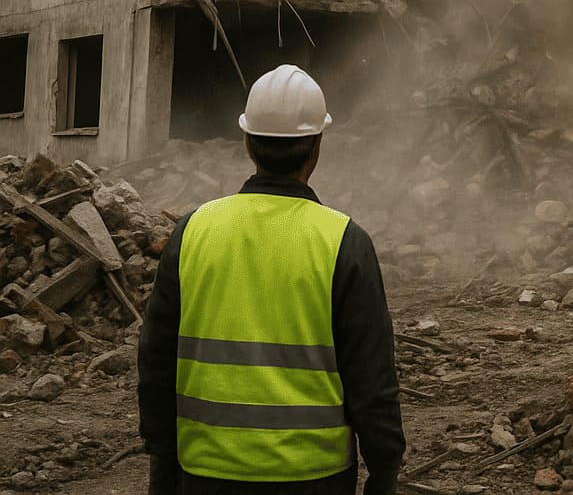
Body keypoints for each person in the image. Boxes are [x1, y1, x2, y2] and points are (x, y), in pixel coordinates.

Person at [137, 65, 404, 494]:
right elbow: (371, 376)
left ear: (247, 142)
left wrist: (161, 456)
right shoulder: (344, 241)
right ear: (317, 144)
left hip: (205, 470)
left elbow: (156, 359)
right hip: (315, 475)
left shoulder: (193, 231)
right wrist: (385, 467)